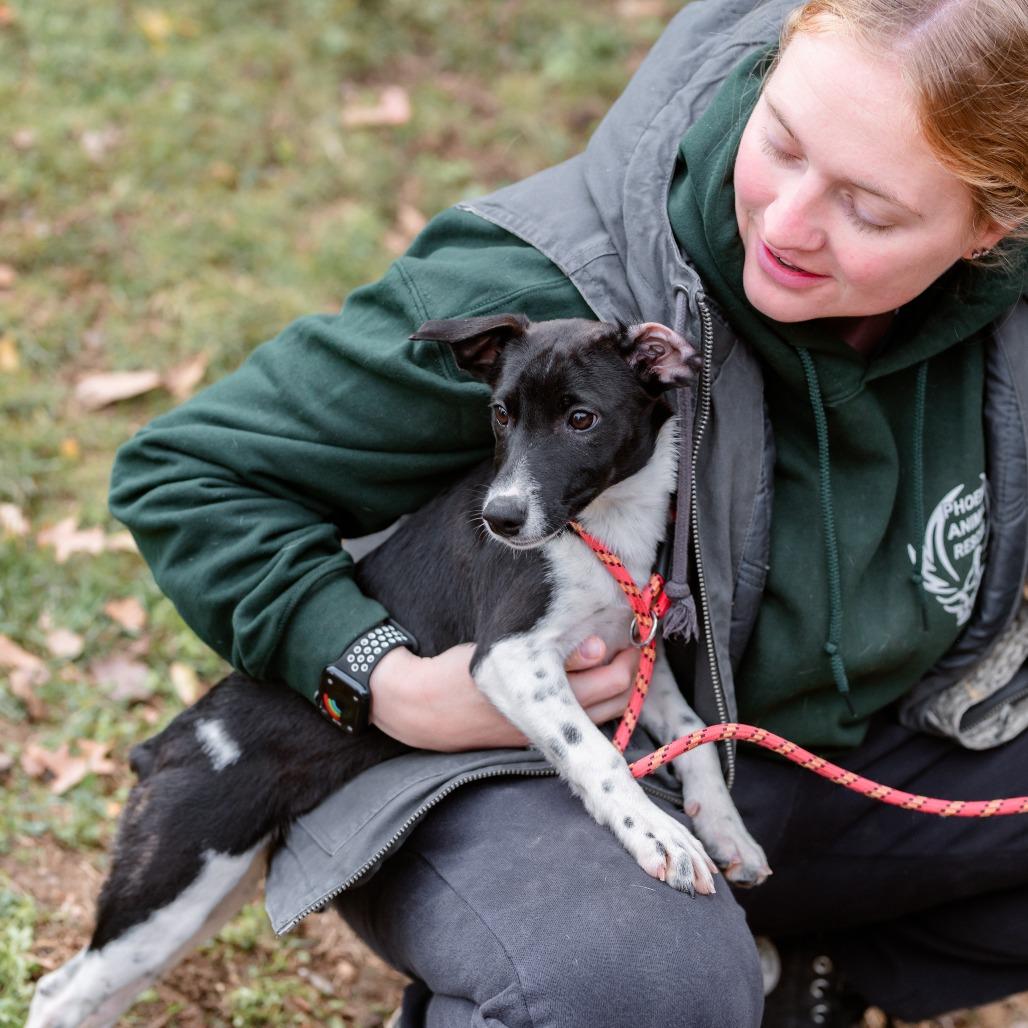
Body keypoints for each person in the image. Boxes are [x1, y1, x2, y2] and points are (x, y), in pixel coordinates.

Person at [109, 0, 1028, 1024]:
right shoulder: (552, 291)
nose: (784, 222)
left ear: (991, 226)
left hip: (809, 757)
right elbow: (189, 472)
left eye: (867, 208)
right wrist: (381, 677)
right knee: (627, 983)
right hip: (501, 759)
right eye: (779, 143)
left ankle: (797, 984)